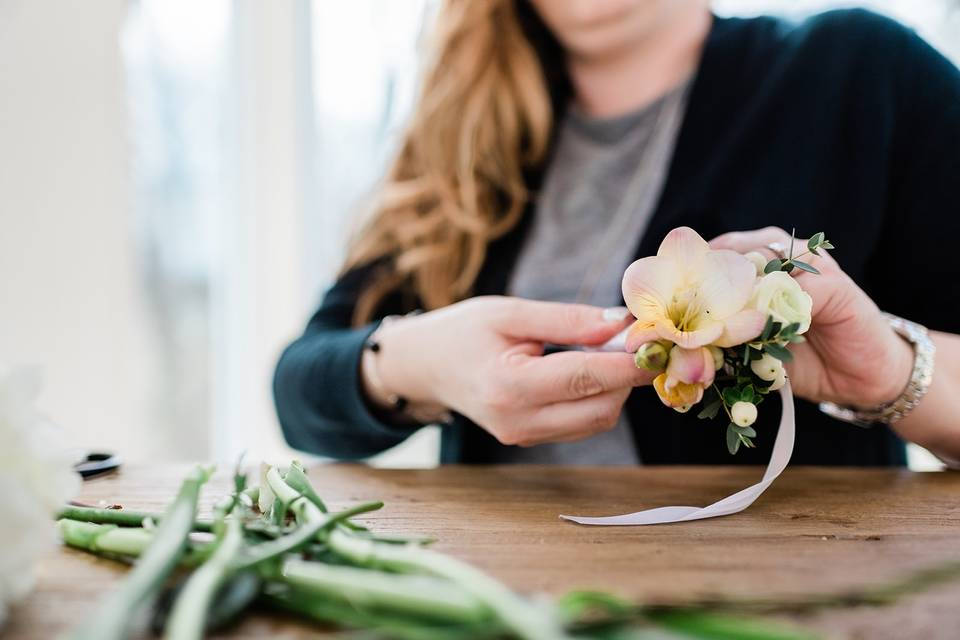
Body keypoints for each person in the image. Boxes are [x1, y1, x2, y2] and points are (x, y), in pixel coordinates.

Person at [273, 0, 960, 467]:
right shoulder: (467, 143)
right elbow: (301, 392)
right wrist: (416, 366)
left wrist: (893, 374)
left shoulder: (859, 77)